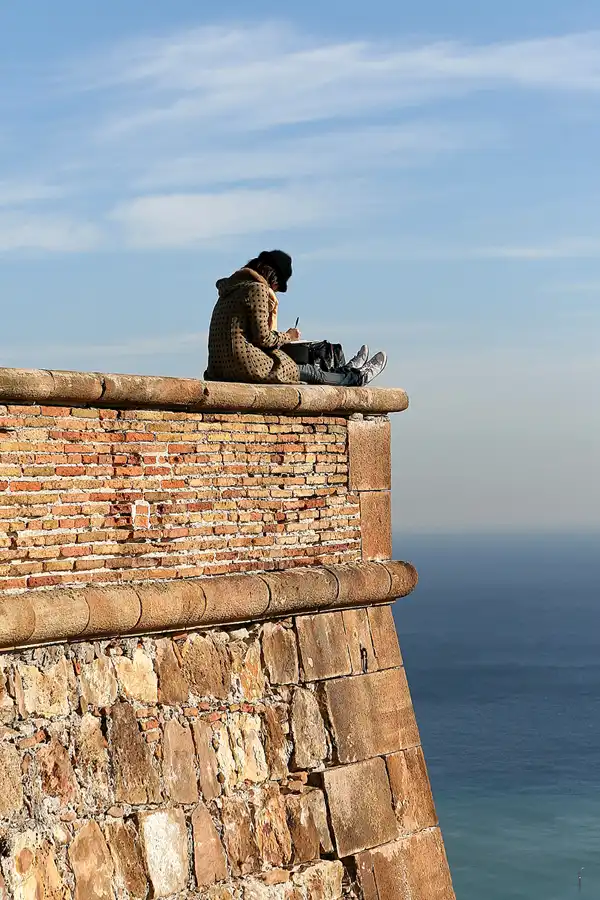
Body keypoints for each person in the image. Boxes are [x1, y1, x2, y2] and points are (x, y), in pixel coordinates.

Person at [205, 250, 387, 386]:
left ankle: (345, 371)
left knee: (301, 366)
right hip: (245, 366)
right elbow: (263, 338)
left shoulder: (230, 290)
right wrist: (289, 336)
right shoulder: (257, 289)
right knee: (309, 370)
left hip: (220, 368)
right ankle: (356, 377)